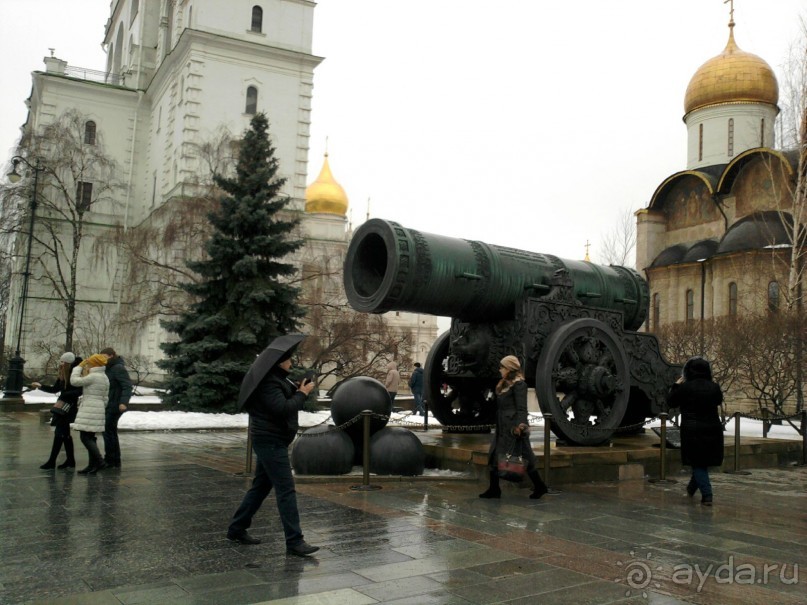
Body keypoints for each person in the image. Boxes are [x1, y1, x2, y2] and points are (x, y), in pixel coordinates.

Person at [227, 348, 320, 556]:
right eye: (288, 359)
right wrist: (302, 394)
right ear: (279, 362)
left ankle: (236, 529)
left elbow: (281, 399)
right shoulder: (268, 382)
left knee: (260, 486)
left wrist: (297, 388)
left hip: (272, 439)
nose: (291, 362)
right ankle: (294, 540)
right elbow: (282, 409)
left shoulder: (276, 378)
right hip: (270, 441)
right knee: (286, 490)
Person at [479, 355, 548, 500]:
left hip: (513, 428)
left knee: (525, 458)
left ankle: (540, 486)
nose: (500, 369)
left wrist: (521, 426)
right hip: (502, 426)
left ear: (509, 368)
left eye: (502, 367)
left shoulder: (519, 385)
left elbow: (522, 408)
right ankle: (494, 488)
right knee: (494, 456)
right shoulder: (504, 384)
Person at [667, 356, 724, 506]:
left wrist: (676, 385)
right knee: (701, 461)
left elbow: (671, 401)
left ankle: (707, 495)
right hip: (712, 428)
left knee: (697, 463)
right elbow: (718, 400)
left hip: (693, 430)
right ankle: (691, 489)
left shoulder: (686, 387)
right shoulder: (714, 387)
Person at [33, 353, 83, 469]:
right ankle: (70, 461)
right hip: (62, 406)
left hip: (68, 407)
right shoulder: (62, 375)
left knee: (60, 434)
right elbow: (54, 389)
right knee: (65, 435)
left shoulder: (75, 374)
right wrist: (40, 386)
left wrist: (65, 394)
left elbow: (80, 391)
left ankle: (52, 461)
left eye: (63, 362)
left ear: (68, 363)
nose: (61, 364)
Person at [70, 354, 111, 475]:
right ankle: (92, 466)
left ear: (95, 364)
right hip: (97, 408)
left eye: (89, 363)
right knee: (90, 437)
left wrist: (78, 367)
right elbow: (105, 397)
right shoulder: (104, 377)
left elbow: (74, 381)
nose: (87, 364)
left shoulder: (93, 376)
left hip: (90, 408)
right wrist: (100, 406)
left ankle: (99, 461)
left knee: (85, 437)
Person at [100, 347, 133, 469]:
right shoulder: (107, 368)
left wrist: (123, 402)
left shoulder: (118, 368)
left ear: (111, 356)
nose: (103, 359)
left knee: (108, 431)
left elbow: (127, 386)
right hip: (109, 403)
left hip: (115, 405)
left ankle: (111, 460)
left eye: (105, 356)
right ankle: (113, 460)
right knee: (110, 432)